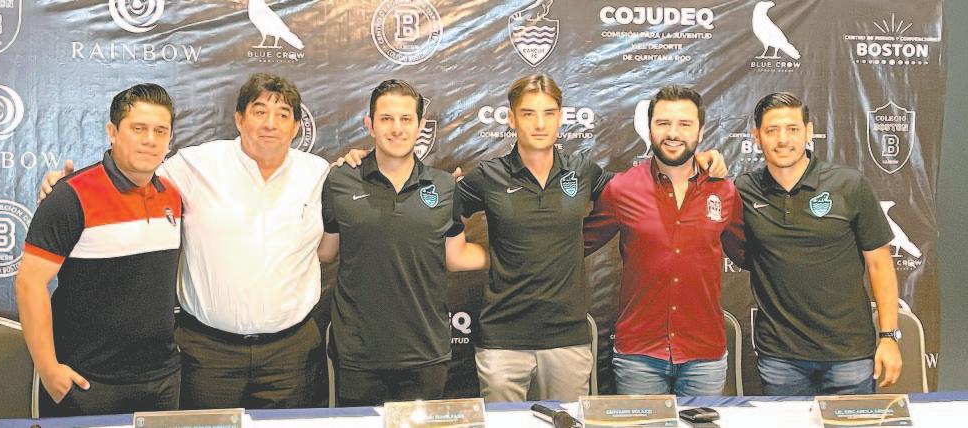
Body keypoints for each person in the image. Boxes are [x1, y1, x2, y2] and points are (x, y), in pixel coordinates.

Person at [39, 73, 332, 409]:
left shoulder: (319, 173)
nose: (270, 123)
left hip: (291, 355)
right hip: (208, 354)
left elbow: (332, 238)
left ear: (296, 127)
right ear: (239, 119)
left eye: (283, 114)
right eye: (259, 111)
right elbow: (130, 177)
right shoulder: (195, 165)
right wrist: (67, 187)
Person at [455, 74, 730, 402]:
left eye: (548, 113)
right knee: (505, 425)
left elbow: (644, 186)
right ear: (511, 118)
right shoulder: (487, 175)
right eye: (528, 113)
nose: (539, 124)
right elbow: (440, 214)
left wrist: (695, 161)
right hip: (501, 340)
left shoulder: (582, 171)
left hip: (567, 339)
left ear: (560, 117)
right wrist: (490, 254)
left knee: (565, 422)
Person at [317, 79, 488, 406]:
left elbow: (455, 255)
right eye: (386, 118)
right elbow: (326, 251)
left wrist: (511, 255)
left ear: (421, 126)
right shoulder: (339, 180)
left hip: (425, 355)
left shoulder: (444, 186)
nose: (396, 128)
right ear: (370, 125)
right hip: (358, 356)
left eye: (406, 119)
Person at [16, 83, 181, 416]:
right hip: (88, 383)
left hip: (162, 379)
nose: (150, 139)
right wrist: (48, 369)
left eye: (160, 131)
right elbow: (29, 283)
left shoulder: (173, 195)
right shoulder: (71, 195)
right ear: (112, 132)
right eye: (138, 128)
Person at [735, 92, 902, 395]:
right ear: (756, 137)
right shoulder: (744, 189)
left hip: (850, 355)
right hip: (780, 358)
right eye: (772, 130)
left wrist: (888, 336)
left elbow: (880, 264)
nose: (782, 139)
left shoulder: (849, 185)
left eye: (792, 129)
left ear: (809, 132)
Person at [583, 85, 745, 396]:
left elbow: (751, 255)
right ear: (649, 128)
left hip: (704, 355)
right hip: (639, 355)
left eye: (684, 124)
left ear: (700, 130)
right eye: (663, 123)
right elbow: (575, 245)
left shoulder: (724, 190)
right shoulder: (621, 189)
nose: (673, 133)